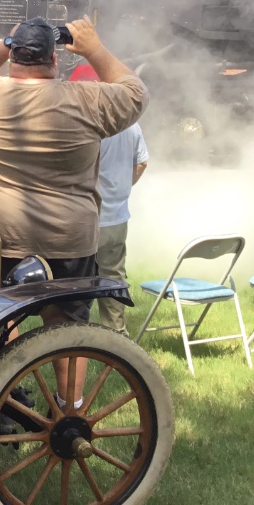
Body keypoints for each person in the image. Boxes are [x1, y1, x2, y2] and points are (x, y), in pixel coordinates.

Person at [0, 16, 148, 407]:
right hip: (68, 239)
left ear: (13, 58)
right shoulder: (86, 99)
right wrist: (92, 47)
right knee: (68, 328)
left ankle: (5, 402)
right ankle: (68, 410)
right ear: (54, 60)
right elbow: (135, 91)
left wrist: (9, 40)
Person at [71, 63, 149, 335]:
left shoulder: (82, 124)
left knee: (75, 283)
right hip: (117, 217)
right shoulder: (130, 123)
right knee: (113, 278)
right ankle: (116, 337)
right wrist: (120, 188)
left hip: (84, 219)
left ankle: (74, 338)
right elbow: (142, 163)